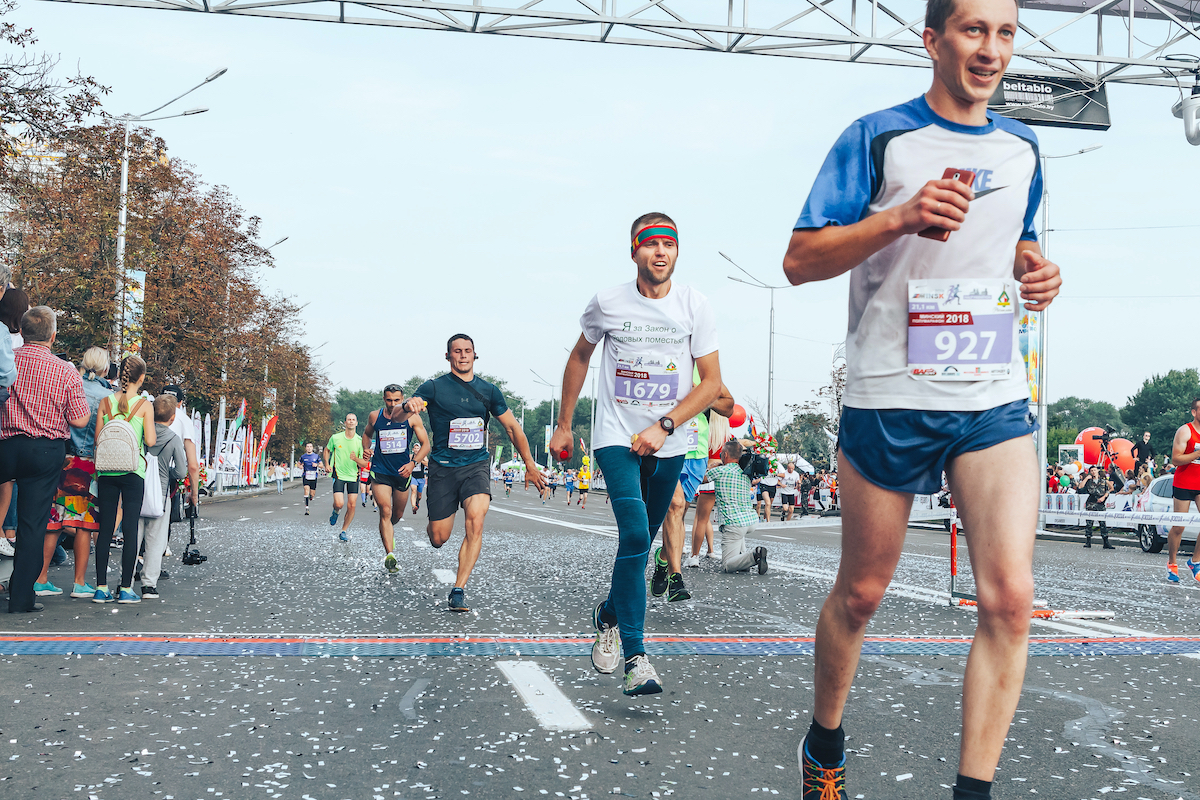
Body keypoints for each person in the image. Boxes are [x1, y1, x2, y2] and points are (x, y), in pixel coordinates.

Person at [780, 0, 1063, 793]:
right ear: (934, 40)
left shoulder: (1026, 146)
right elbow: (800, 259)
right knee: (862, 594)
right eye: (974, 30)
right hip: (888, 391)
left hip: (993, 393)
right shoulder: (878, 137)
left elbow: (1020, 242)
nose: (991, 48)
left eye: (1005, 33)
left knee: (1009, 600)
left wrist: (1037, 271)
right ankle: (825, 746)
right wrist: (899, 218)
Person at [551, 212, 721, 696]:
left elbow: (710, 383)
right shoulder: (608, 302)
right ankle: (636, 656)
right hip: (614, 437)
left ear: (677, 253)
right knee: (632, 532)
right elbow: (579, 357)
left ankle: (607, 613)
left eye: (669, 244)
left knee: (642, 543)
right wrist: (564, 424)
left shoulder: (695, 306)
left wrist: (666, 425)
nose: (660, 252)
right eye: (651, 244)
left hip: (670, 443)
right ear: (634, 251)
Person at [398, 333, 545, 611]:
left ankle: (458, 589)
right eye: (457, 351)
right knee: (438, 538)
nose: (463, 355)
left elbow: (512, 428)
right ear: (448, 356)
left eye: (468, 351)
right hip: (443, 468)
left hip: (476, 466)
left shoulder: (489, 391)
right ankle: (435, 519)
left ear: (475, 355)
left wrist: (529, 464)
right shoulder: (433, 388)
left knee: (476, 519)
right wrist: (407, 406)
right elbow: (397, 417)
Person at [0, 307, 90, 612]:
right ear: (53, 336)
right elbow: (79, 420)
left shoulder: (7, 359)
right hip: (44, 451)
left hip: (5, 445)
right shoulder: (65, 371)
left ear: (22, 332)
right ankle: (21, 597)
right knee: (33, 524)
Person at [659, 371, 734, 598]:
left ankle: (663, 560)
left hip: (697, 452)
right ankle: (676, 577)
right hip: (669, 445)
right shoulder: (665, 363)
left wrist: (700, 393)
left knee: (679, 513)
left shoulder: (704, 370)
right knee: (675, 506)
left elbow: (728, 405)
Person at [43, 346, 110, 599]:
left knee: (54, 521)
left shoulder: (68, 387)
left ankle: (41, 578)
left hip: (63, 460)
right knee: (83, 524)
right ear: (105, 368)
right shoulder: (107, 396)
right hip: (87, 465)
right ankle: (79, 583)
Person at [92, 355, 156, 604]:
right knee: (130, 528)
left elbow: (98, 438)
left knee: (105, 527)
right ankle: (126, 588)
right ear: (141, 378)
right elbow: (150, 441)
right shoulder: (144, 405)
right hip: (133, 470)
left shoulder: (105, 402)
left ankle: (100, 587)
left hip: (107, 470)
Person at [362, 384, 431, 574]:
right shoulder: (375, 416)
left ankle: (387, 530)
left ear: (403, 399)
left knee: (397, 515)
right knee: (385, 509)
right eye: (389, 400)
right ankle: (390, 555)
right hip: (380, 469)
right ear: (384, 399)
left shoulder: (412, 418)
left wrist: (413, 464)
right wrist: (366, 449)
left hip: (402, 472)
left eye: (397, 401)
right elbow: (367, 434)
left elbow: (426, 445)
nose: (393, 404)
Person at [135, 395, 187, 600]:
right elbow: (182, 472)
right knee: (156, 541)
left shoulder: (141, 432)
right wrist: (169, 474)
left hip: (137, 490)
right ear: (172, 418)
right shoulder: (173, 439)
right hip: (161, 494)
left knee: (133, 537)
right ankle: (149, 585)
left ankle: (126, 580)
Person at [705, 439, 768, 574]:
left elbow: (700, 479)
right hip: (750, 521)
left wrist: (711, 468)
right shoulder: (746, 473)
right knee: (739, 554)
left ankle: (755, 555)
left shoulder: (720, 471)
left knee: (727, 565)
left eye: (721, 453)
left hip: (733, 523)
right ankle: (745, 560)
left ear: (725, 454)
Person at [1166, 397, 1200, 583]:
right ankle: (1172, 562)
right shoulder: (1185, 431)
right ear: (1194, 412)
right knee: (1179, 526)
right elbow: (1176, 459)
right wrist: (1197, 453)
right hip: (1184, 482)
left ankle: (1195, 561)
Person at [324, 414, 368, 541]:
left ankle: (343, 530)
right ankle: (336, 511)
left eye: (353, 419)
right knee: (339, 503)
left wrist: (355, 459)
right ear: (345, 422)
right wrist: (327, 464)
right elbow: (327, 450)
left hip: (353, 476)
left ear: (356, 423)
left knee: (352, 505)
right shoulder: (336, 438)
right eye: (349, 419)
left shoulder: (360, 441)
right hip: (338, 474)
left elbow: (364, 463)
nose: (351, 421)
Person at [1081, 466, 1113, 549]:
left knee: (1102, 523)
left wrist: (1104, 497)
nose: (1093, 472)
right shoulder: (1088, 481)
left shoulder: (1103, 481)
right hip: (1091, 503)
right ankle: (1088, 541)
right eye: (1091, 471)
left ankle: (1106, 542)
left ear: (1097, 471)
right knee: (1089, 523)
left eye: (1094, 470)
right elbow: (1080, 487)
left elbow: (1109, 489)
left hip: (1100, 503)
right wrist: (1086, 478)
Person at [300, 442, 321, 514]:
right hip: (306, 475)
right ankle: (307, 508)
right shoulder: (303, 456)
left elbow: (321, 465)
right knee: (306, 490)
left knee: (312, 494)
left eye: (310, 446)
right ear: (306, 448)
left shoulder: (316, 456)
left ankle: (310, 497)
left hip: (313, 476)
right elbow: (299, 463)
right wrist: (300, 466)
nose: (309, 448)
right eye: (307, 446)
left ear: (312, 448)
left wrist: (317, 465)